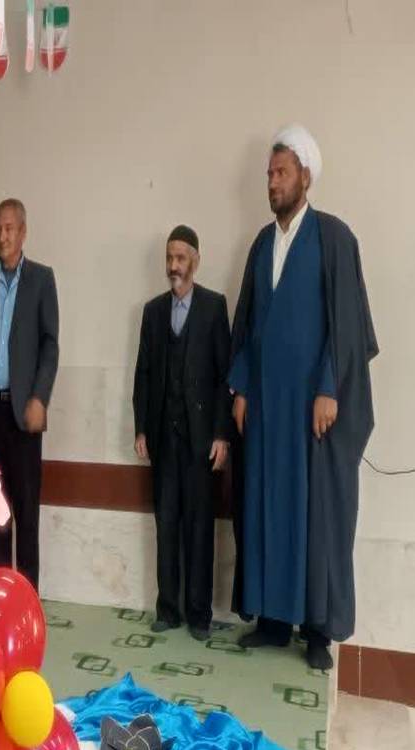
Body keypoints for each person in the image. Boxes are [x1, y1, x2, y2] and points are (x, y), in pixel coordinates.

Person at [228, 125, 377, 670]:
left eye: (281, 172)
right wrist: (241, 386)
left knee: (316, 517)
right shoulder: (261, 243)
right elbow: (247, 324)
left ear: (305, 177)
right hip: (268, 410)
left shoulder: (334, 237)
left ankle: (316, 631)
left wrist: (329, 388)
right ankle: (272, 620)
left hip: (313, 410)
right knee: (265, 505)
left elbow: (348, 326)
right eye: (269, 173)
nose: (272, 182)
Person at [133, 225, 232, 641]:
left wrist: (221, 434)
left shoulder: (214, 307)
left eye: (180, 258)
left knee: (199, 527)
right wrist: (141, 427)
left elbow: (225, 377)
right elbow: (143, 373)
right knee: (167, 524)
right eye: (169, 258)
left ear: (195, 260)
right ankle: (168, 609)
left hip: (201, 441)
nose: (173, 266)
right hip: (163, 438)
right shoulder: (153, 312)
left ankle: (199, 614)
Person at [0, 199, 59, 590]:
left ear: (23, 232)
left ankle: (27, 601)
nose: (2, 236)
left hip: (24, 416)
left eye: (9, 229)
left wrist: (40, 397)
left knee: (26, 514)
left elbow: (50, 345)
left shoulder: (41, 279)